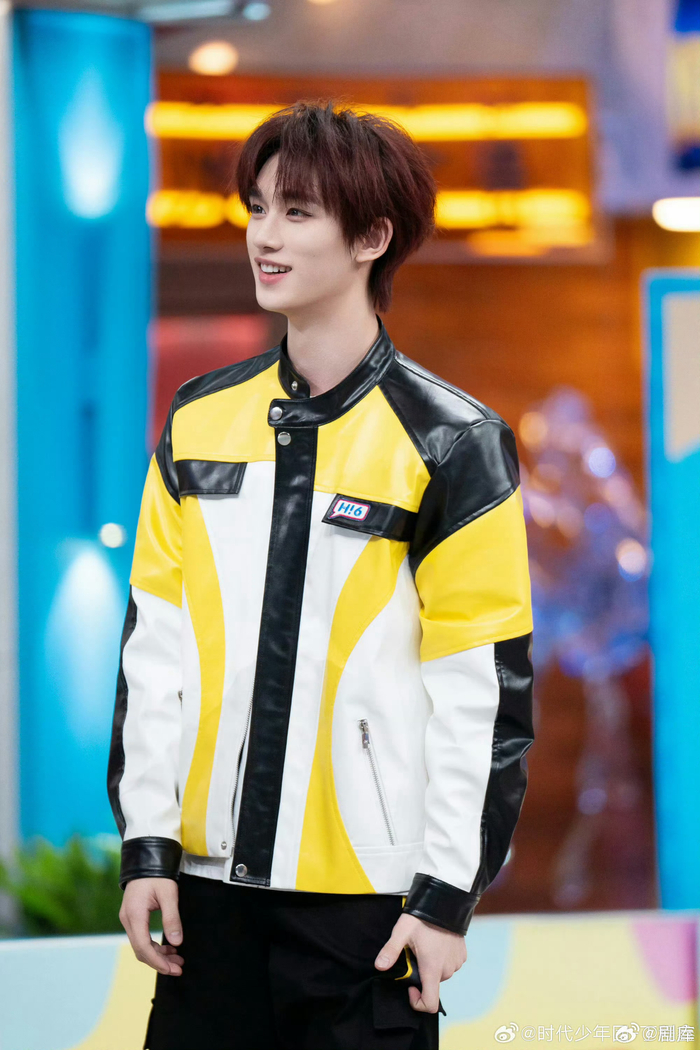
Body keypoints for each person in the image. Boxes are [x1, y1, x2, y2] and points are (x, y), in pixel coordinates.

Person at [108, 99, 535, 1050]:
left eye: (297, 212)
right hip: (206, 904)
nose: (265, 235)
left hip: (369, 915)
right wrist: (148, 849)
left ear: (372, 237)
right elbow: (154, 652)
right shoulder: (197, 421)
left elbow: (482, 693)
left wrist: (445, 898)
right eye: (258, 207)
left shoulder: (453, 443)